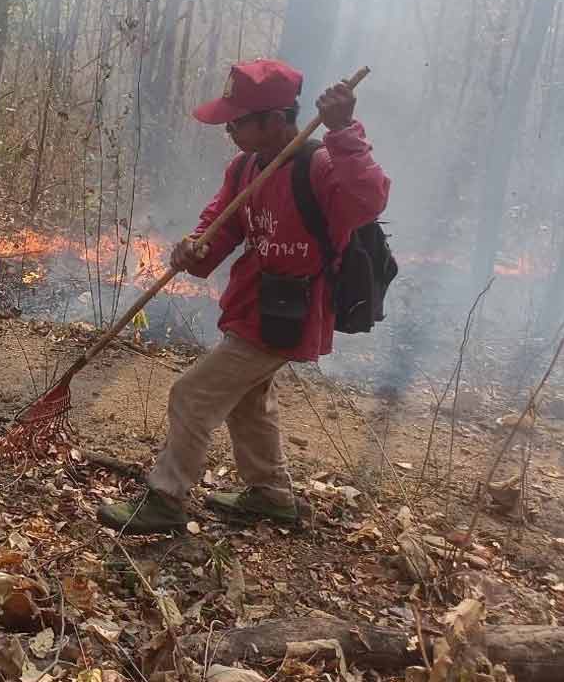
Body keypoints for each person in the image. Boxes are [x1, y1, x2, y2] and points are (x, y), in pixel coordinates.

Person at [96, 59, 390, 533]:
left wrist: (344, 130)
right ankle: (271, 495)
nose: (229, 130)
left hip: (291, 314)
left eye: (237, 122)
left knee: (192, 394)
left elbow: (369, 200)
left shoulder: (320, 166)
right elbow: (219, 227)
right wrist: (195, 247)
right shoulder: (245, 168)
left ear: (274, 120)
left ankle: (166, 498)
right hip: (253, 305)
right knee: (249, 400)